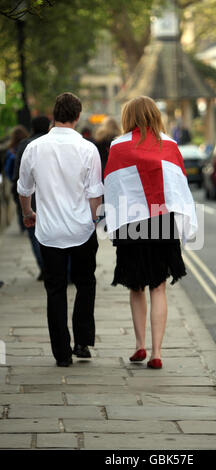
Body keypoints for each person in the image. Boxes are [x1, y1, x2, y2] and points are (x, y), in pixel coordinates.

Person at [104, 96, 198, 369]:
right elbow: (180, 186)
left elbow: (112, 186)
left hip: (132, 222)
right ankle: (157, 353)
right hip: (161, 220)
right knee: (158, 287)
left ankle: (139, 345)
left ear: (128, 117)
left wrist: (109, 220)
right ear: (155, 116)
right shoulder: (169, 145)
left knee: (136, 286)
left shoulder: (118, 147)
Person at [17, 92, 104, 367]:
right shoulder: (88, 149)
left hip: (49, 231)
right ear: (78, 116)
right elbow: (95, 193)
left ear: (54, 115)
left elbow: (24, 188)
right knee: (85, 283)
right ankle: (82, 341)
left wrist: (27, 213)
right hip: (80, 229)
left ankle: (61, 353)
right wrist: (92, 222)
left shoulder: (35, 148)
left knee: (55, 289)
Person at [12, 116, 51, 281]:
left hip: (31, 199)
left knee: (35, 236)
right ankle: (64, 270)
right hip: (50, 197)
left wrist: (23, 208)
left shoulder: (24, 145)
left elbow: (18, 177)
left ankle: (44, 268)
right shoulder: (53, 143)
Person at [4, 125, 29, 232]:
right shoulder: (28, 147)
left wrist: (11, 178)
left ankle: (22, 225)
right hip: (27, 179)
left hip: (15, 180)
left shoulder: (10, 151)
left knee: (19, 204)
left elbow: (7, 168)